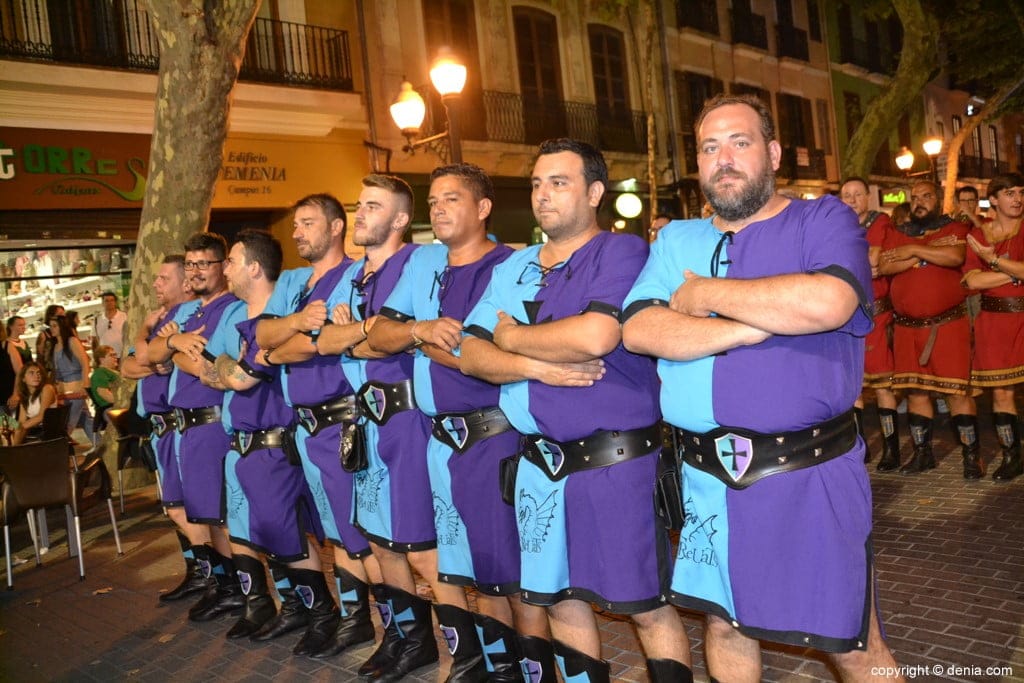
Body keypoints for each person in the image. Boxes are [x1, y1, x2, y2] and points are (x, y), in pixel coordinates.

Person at [621, 94, 901, 682]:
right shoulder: (675, 241)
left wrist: (704, 296)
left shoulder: (822, 220)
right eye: (709, 147)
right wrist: (753, 326)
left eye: (739, 142)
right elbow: (641, 329)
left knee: (848, 641)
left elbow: (829, 300)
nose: (723, 159)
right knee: (725, 625)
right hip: (705, 479)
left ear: (772, 153)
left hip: (808, 473)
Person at [460, 139, 692, 683]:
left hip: (616, 464)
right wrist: (536, 367)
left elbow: (596, 335)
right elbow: (470, 355)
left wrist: (510, 337)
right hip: (538, 465)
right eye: (537, 184)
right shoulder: (514, 265)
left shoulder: (622, 252)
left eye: (559, 183)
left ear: (594, 193)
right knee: (560, 600)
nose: (543, 195)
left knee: (645, 606)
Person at [368, 163, 552, 681]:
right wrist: (421, 330)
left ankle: (534, 672)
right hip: (441, 441)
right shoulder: (424, 262)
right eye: (433, 201)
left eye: (451, 198)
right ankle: (498, 668)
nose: (438, 209)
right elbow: (378, 335)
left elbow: (486, 354)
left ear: (483, 207)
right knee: (472, 571)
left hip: (496, 436)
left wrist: (429, 343)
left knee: (514, 577)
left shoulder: (512, 265)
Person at [311, 175, 441, 681]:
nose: (360, 213)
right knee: (382, 542)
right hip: (365, 421)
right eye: (359, 204)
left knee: (422, 548)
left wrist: (358, 333)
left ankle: (471, 651)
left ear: (401, 219)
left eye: (373, 206)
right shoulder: (351, 275)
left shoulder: (420, 261)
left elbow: (404, 338)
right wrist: (365, 333)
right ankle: (409, 638)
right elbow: (324, 342)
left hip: (407, 418)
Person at [255, 193, 380, 659]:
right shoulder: (292, 280)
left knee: (361, 534)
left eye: (307, 223)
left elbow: (319, 343)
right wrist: (295, 324)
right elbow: (263, 336)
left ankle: (398, 629)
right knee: (332, 533)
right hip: (305, 426)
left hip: (342, 421)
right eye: (295, 224)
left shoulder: (354, 273)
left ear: (335, 226)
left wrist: (280, 348)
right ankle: (354, 619)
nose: (297, 232)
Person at [204, 230, 331, 644]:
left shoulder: (281, 311)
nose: (225, 269)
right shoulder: (237, 317)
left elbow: (240, 377)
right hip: (245, 445)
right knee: (267, 535)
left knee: (287, 533)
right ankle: (295, 609)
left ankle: (322, 615)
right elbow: (211, 371)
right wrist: (232, 368)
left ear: (255, 268)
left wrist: (232, 371)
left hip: (275, 441)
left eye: (231, 261)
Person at [148, 233, 248, 623]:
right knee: (206, 516)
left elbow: (222, 370)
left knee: (222, 517)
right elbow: (151, 352)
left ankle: (243, 592)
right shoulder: (191, 313)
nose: (195, 271)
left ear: (223, 266)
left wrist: (177, 352)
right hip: (187, 427)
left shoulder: (232, 309)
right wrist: (175, 340)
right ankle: (225, 587)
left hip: (212, 421)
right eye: (191, 264)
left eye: (204, 263)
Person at [120, 254, 205, 604]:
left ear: (185, 283)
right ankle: (198, 572)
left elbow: (143, 357)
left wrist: (148, 346)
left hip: (177, 425)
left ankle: (215, 576)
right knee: (177, 508)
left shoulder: (188, 315)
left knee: (184, 508)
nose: (155, 283)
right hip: (159, 430)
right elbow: (128, 366)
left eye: (163, 278)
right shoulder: (162, 319)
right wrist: (149, 350)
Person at [880, 179, 977, 476]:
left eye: (926, 196)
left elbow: (954, 256)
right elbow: (885, 266)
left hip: (946, 325)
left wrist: (912, 251)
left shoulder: (954, 228)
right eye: (914, 197)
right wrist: (927, 250)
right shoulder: (898, 231)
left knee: (957, 392)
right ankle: (923, 454)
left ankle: (971, 457)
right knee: (915, 392)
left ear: (939, 199)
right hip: (907, 329)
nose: (919, 202)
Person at [962, 172, 1024, 481]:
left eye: (1021, 192)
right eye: (1010, 193)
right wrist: (1013, 272)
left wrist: (995, 262)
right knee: (1001, 393)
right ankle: (1012, 457)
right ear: (994, 200)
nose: (1018, 198)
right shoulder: (980, 235)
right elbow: (972, 280)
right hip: (993, 323)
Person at [840, 177, 902, 469]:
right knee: (853, 389)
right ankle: (859, 449)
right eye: (847, 195)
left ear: (868, 197)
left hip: (877, 314)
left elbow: (875, 259)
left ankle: (891, 450)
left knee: (882, 386)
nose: (852, 200)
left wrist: (846, 264)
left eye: (857, 194)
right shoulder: (838, 226)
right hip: (847, 316)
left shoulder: (880, 222)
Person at [50, 313, 94, 446]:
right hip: (64, 389)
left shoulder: (71, 341)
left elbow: (84, 362)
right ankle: (99, 445)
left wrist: (85, 384)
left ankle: (59, 449)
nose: (51, 329)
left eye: (54, 326)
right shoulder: (56, 345)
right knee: (85, 419)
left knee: (68, 423)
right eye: (51, 326)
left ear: (62, 327)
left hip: (76, 387)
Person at [11, 361, 57, 444]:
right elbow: (22, 420)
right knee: (8, 428)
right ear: (23, 379)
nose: (36, 376)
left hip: (47, 431)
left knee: (18, 429)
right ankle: (13, 450)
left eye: (38, 373)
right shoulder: (24, 396)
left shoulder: (47, 388)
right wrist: (14, 427)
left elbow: (42, 416)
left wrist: (20, 427)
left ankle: (13, 450)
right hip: (33, 429)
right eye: (31, 373)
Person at [2, 316, 32, 414]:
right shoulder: (8, 344)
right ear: (11, 327)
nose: (23, 327)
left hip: (18, 386)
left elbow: (20, 369)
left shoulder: (9, 345)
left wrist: (16, 393)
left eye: (24, 325)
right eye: (20, 325)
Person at [88, 344, 120, 423]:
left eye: (115, 354)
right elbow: (104, 394)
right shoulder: (100, 373)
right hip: (111, 408)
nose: (115, 357)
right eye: (111, 355)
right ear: (102, 359)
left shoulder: (113, 372)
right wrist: (122, 402)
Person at [92, 291, 128, 357]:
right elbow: (94, 340)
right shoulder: (97, 319)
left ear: (115, 302)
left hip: (123, 355)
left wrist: (131, 354)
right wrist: (95, 356)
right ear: (102, 303)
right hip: (105, 357)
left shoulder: (124, 316)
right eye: (106, 301)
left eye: (112, 300)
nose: (109, 303)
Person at [35, 304, 65, 373]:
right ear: (51, 316)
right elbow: (40, 357)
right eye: (60, 314)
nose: (63, 316)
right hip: (50, 370)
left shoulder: (66, 333)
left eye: (63, 313)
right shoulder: (44, 335)